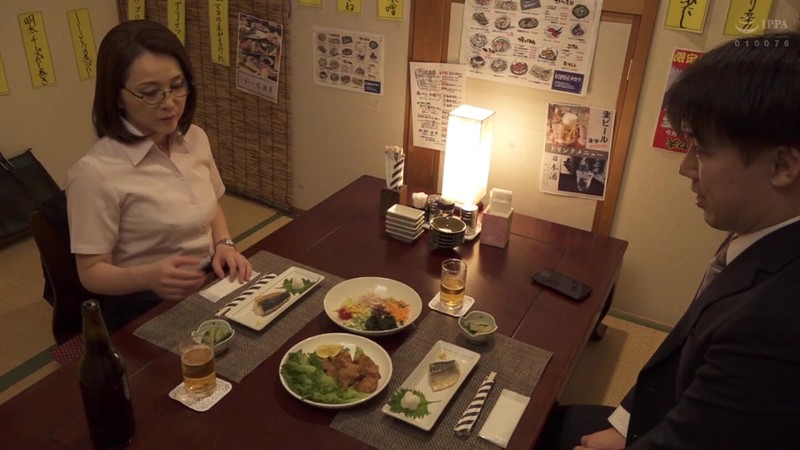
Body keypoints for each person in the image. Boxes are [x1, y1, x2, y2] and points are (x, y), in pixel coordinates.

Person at [536, 32, 800, 449]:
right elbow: (681, 354)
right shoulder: (762, 235)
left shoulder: (776, 320)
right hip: (663, 414)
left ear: (782, 165)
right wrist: (621, 424)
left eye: (703, 151)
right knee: (539, 416)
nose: (686, 168)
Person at [66, 20, 252, 330]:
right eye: (150, 93)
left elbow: (210, 205)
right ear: (117, 97)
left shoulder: (194, 137)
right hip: (142, 304)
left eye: (177, 85)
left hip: (208, 282)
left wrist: (224, 244)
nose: (170, 103)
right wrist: (149, 276)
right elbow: (91, 272)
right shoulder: (95, 172)